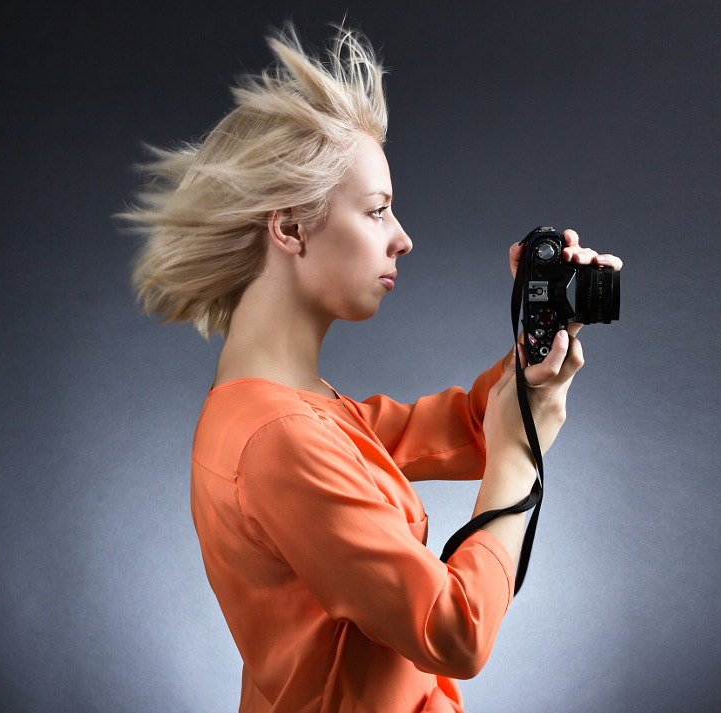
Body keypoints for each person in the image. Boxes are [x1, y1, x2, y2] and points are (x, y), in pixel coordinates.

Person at [121, 23, 622, 713]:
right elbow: (456, 631)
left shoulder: (288, 407)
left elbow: (452, 427)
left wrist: (536, 356)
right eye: (378, 210)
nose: (403, 238)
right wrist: (518, 465)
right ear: (290, 227)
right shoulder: (279, 441)